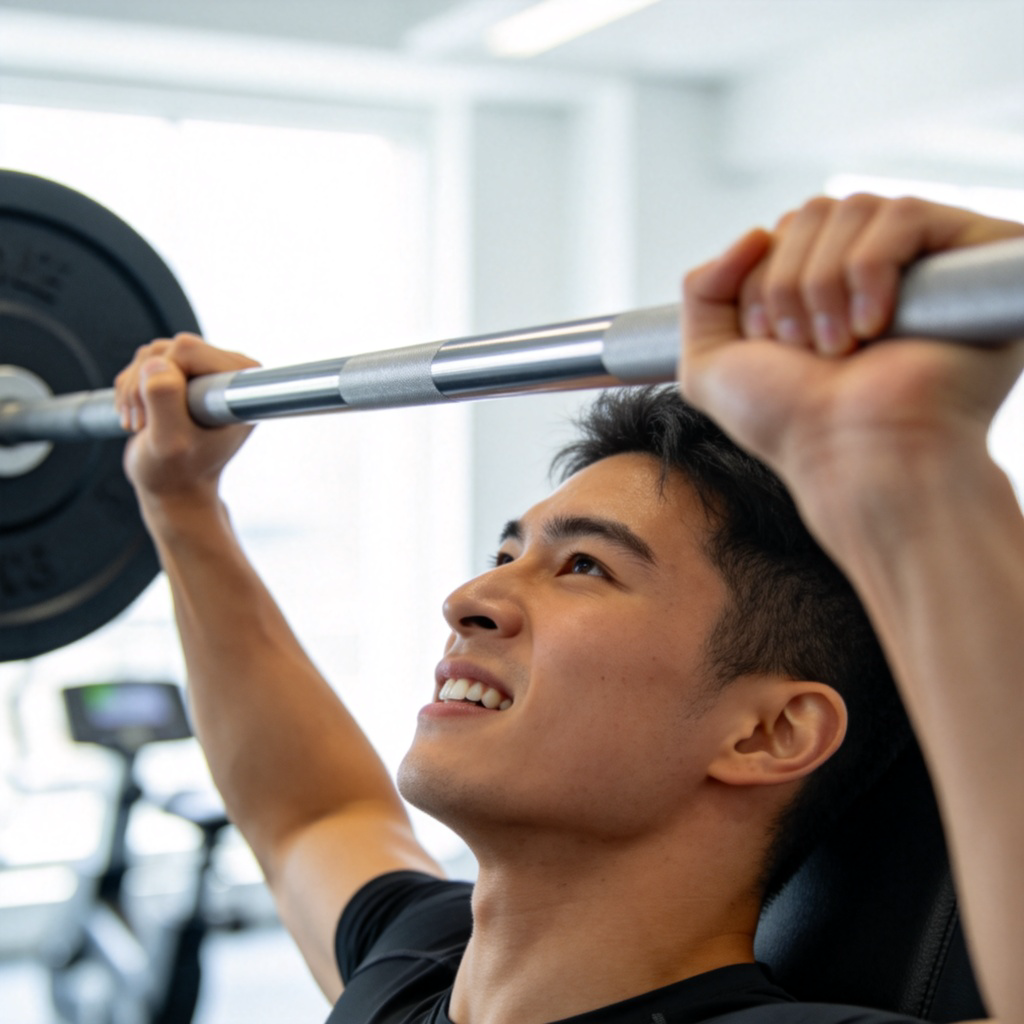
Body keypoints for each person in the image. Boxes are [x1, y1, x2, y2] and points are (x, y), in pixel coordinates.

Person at [113, 193, 1024, 1024]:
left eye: (583, 566)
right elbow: (307, 815)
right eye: (506, 553)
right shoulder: (411, 978)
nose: (469, 598)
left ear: (769, 732)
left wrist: (922, 472)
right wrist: (182, 504)